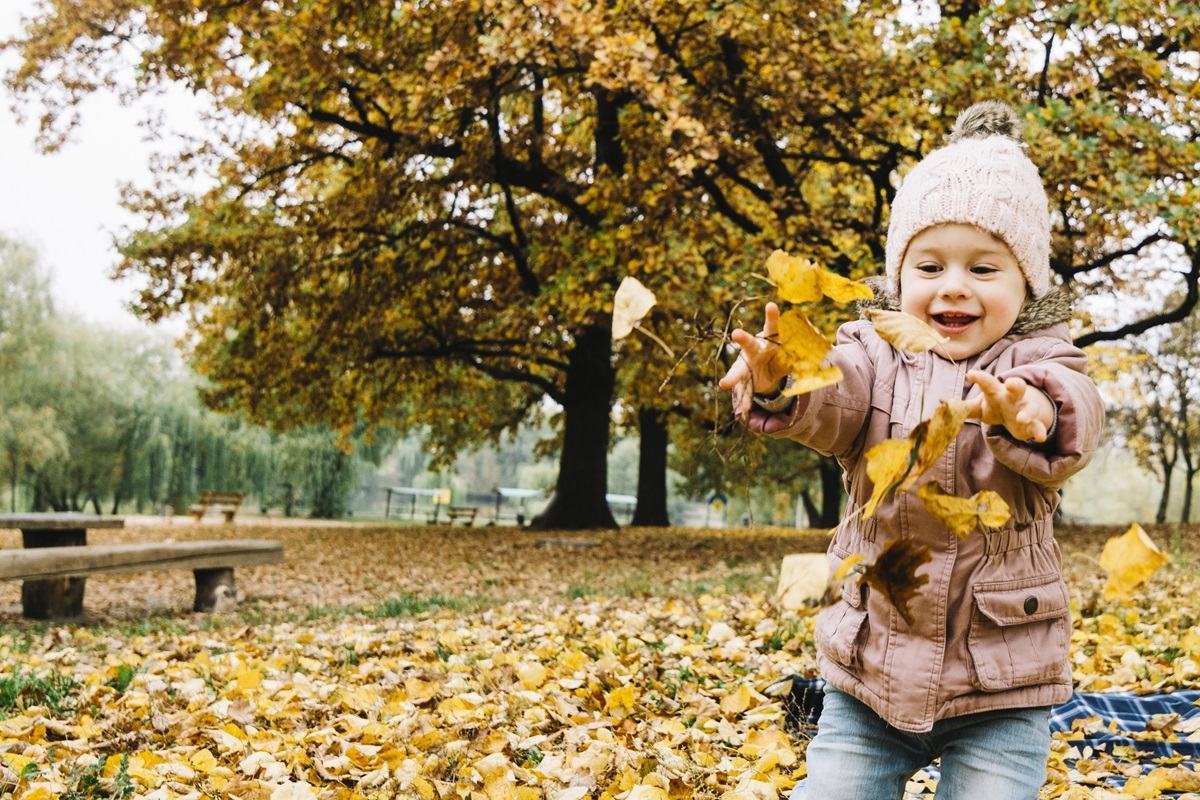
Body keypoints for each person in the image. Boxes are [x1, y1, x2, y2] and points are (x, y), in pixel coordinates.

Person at [719, 101, 1105, 799]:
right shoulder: (872, 350)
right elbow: (834, 399)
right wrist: (782, 382)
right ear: (900, 279)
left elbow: (1076, 406)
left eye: (983, 268)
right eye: (930, 265)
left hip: (1002, 680)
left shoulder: (1040, 357)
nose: (953, 284)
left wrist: (1033, 413)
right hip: (870, 671)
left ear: (1026, 284)